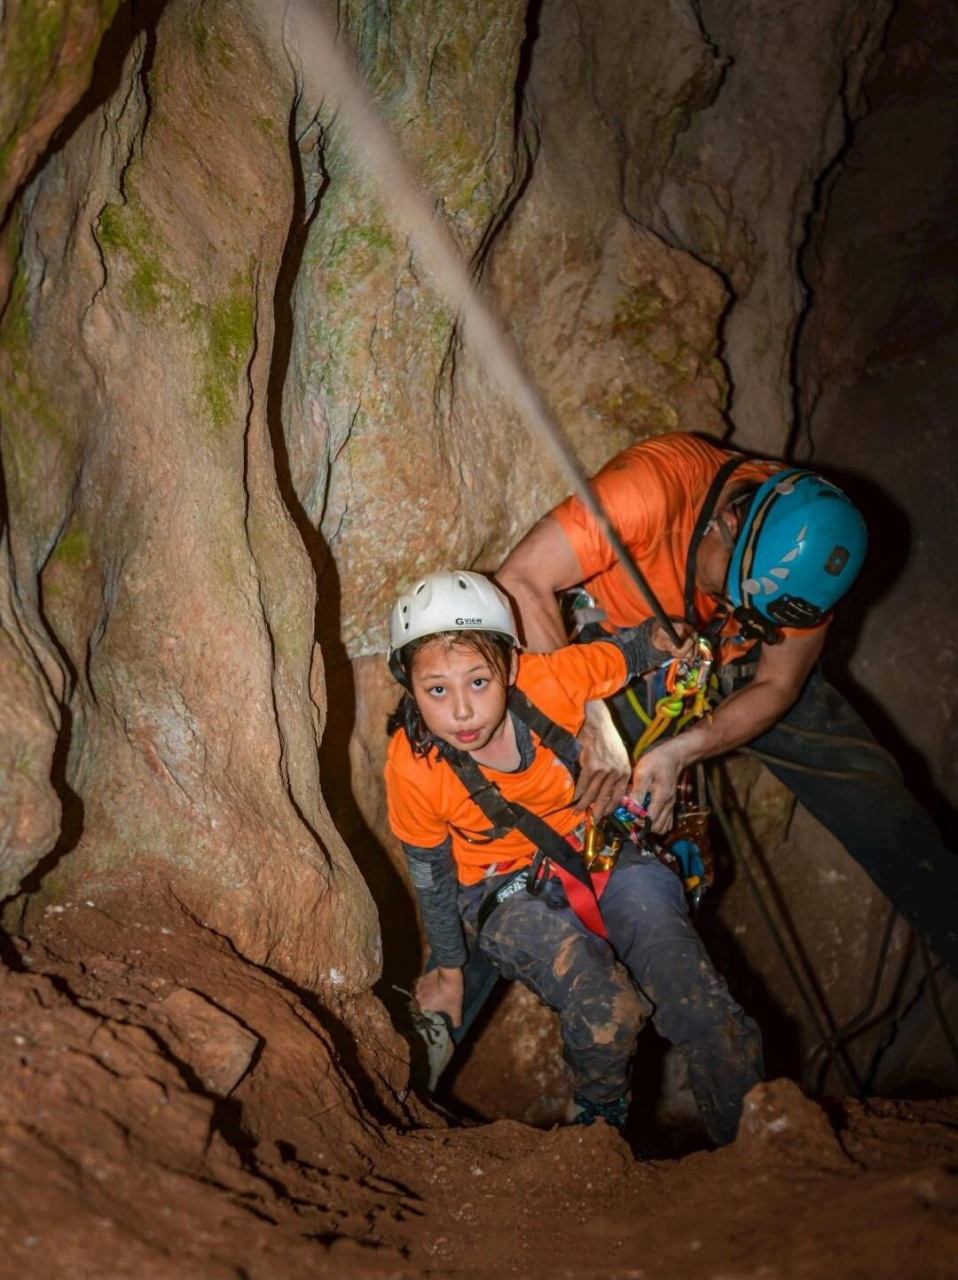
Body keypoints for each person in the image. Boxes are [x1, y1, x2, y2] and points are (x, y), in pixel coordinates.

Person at [496, 430, 958, 977]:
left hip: (721, 667)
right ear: (726, 523)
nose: (728, 606)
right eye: (728, 592)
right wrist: (590, 726)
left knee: (867, 787)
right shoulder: (654, 490)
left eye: (748, 608)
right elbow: (521, 578)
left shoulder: (810, 562)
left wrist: (682, 750)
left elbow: (779, 684)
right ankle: (460, 981)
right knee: (538, 790)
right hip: (617, 654)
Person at [384, 568, 762, 1144]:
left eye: (479, 682)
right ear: (410, 687)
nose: (461, 711)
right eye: (437, 689)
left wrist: (670, 638)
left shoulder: (550, 681)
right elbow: (432, 873)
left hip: (603, 854)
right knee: (607, 1008)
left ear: (510, 668)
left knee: (700, 1001)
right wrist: (450, 968)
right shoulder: (414, 765)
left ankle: (759, 1148)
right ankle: (599, 1131)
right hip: (501, 889)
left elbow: (629, 651)